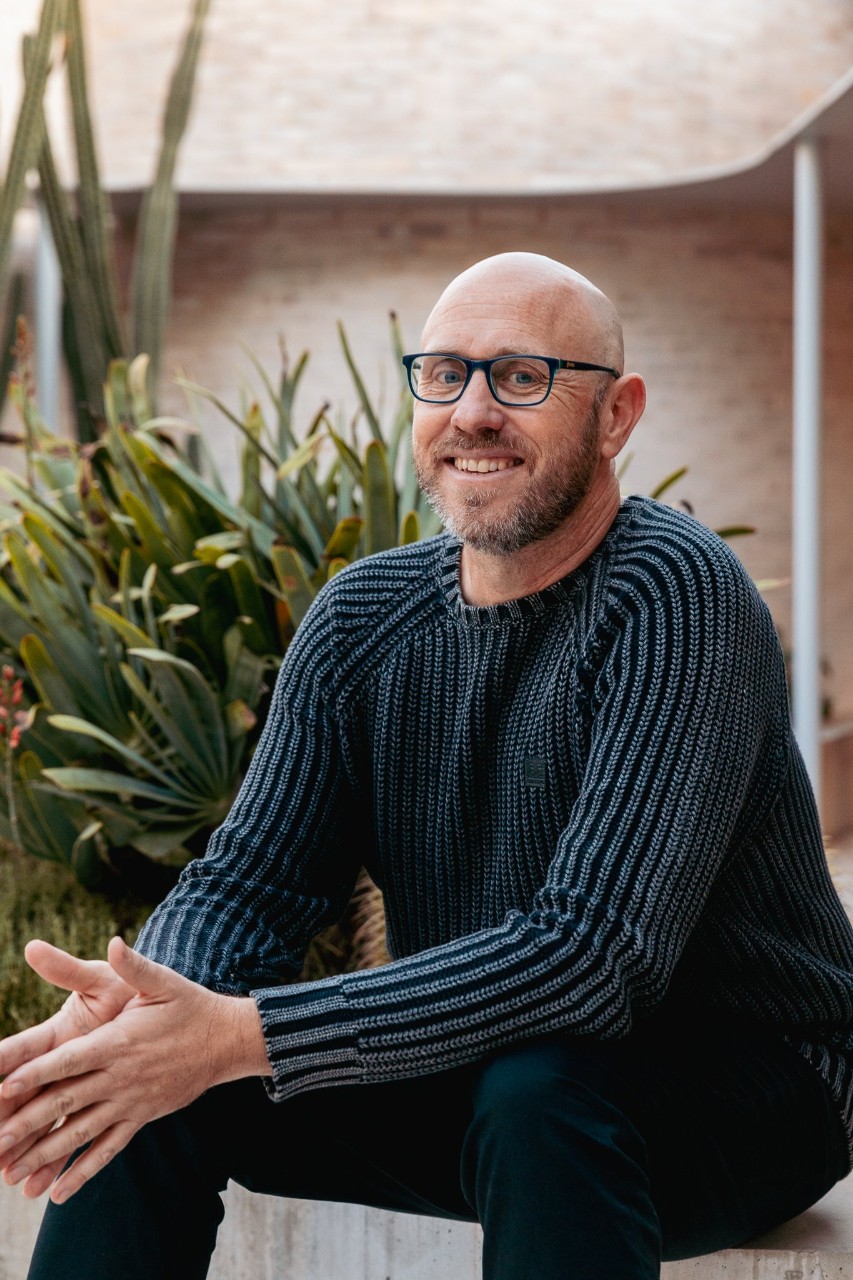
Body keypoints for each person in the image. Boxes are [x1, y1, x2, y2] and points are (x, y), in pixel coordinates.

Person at [1, 251, 852, 1280]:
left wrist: (242, 1033)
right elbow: (248, 883)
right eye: (445, 374)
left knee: (539, 1095)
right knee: (152, 1080)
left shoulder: (675, 595)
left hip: (748, 1087)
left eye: (522, 377)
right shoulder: (364, 617)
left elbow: (592, 958)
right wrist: (155, 1007)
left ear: (615, 415)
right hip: (487, 1062)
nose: (473, 412)